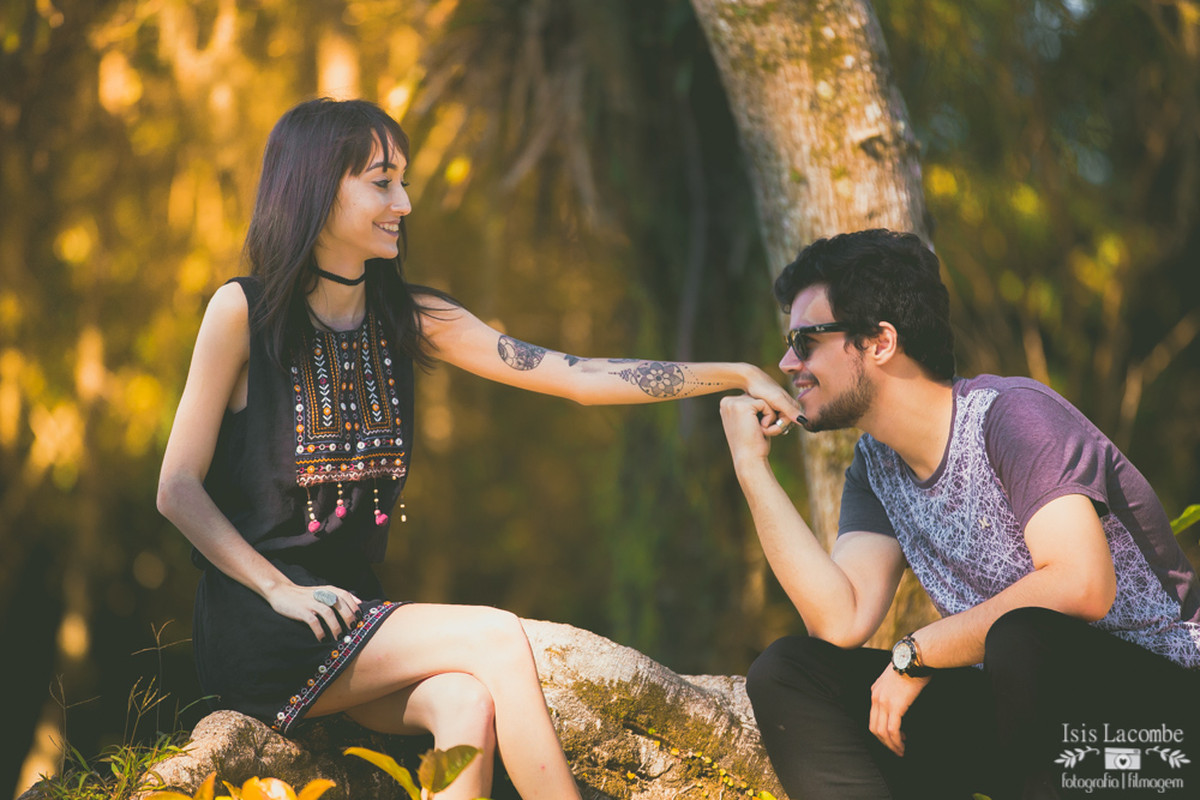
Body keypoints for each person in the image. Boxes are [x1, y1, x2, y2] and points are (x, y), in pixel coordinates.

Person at [156, 97, 801, 800]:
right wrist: (280, 589)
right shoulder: (242, 313)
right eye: (381, 181)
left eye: (402, 181)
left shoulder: (413, 318)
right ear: (316, 185)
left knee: (466, 701)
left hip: (358, 625)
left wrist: (734, 373)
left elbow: (577, 377)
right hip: (263, 624)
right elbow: (178, 488)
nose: (403, 201)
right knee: (494, 636)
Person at [718, 229, 1200, 799]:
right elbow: (839, 620)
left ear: (879, 342)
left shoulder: (1014, 418)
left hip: (1161, 739)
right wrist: (752, 467)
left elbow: (1080, 585)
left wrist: (916, 653)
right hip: (1027, 731)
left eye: (806, 340)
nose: (786, 362)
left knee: (1020, 637)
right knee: (789, 672)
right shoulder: (876, 466)